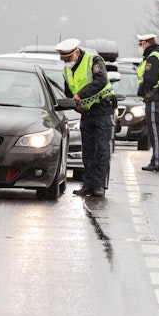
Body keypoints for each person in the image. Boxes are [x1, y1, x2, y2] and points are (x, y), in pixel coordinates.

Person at [57, 37, 116, 197]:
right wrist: (76, 106)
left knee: (102, 149)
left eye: (68, 58)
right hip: (86, 113)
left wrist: (80, 95)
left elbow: (101, 81)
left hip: (103, 110)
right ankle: (88, 184)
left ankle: (100, 185)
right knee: (88, 150)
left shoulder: (93, 60)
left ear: (76, 52)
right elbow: (69, 92)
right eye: (63, 59)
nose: (66, 61)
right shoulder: (66, 70)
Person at [137, 33, 159, 172]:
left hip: (154, 96)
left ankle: (157, 162)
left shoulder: (153, 57)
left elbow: (150, 79)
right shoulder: (157, 55)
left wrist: (141, 91)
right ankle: (156, 160)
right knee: (156, 129)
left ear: (146, 43)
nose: (140, 47)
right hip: (157, 96)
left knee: (155, 130)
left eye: (141, 44)